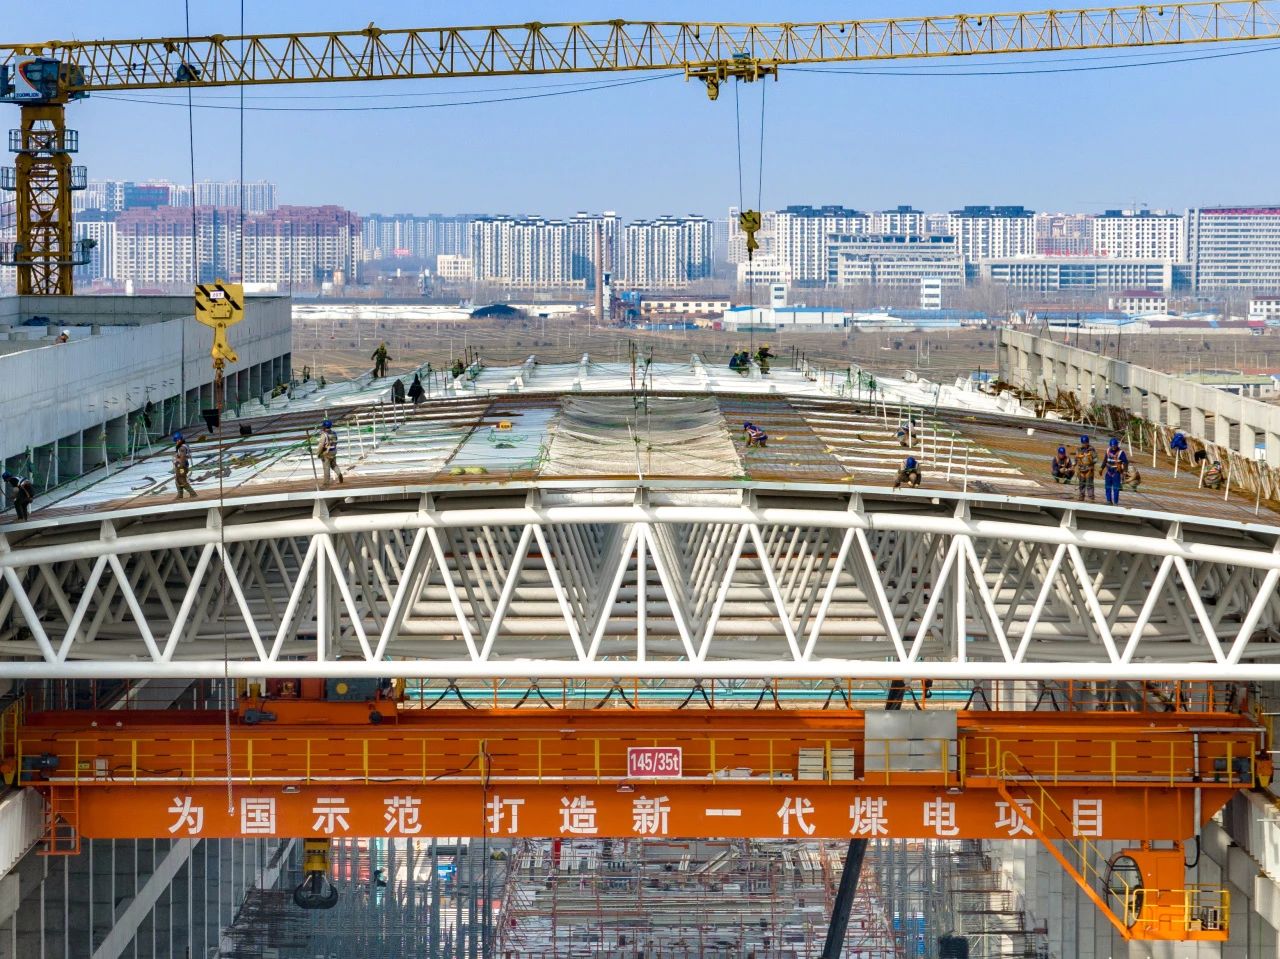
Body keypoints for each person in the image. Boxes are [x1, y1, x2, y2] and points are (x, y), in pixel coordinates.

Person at [1102, 437, 1129, 506]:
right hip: (1108, 472)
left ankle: (1115, 502)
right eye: (1112, 446)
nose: (1113, 448)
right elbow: (1105, 460)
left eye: (1114, 446)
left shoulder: (1121, 453)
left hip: (1116, 473)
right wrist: (1101, 468)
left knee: (1116, 488)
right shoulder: (1108, 450)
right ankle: (1109, 500)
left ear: (1117, 445)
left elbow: (1125, 462)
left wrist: (1125, 471)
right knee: (1107, 487)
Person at [317, 419, 344, 485]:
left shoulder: (324, 435)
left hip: (326, 453)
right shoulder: (334, 433)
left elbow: (321, 445)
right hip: (333, 451)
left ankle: (326, 482)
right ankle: (339, 474)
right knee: (334, 465)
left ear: (324, 426)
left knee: (326, 467)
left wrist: (318, 453)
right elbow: (335, 442)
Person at [172, 433, 197, 500]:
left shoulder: (182, 448)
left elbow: (182, 458)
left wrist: (179, 465)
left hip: (182, 467)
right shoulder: (183, 446)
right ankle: (180, 495)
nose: (176, 442)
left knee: (181, 480)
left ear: (179, 440)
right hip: (181, 466)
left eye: (176, 441)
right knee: (178, 480)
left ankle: (193, 493)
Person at [1074, 435, 1097, 502]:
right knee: (1081, 483)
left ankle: (1091, 497)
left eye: (1086, 443)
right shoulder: (1078, 450)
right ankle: (1081, 496)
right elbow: (1076, 459)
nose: (1085, 444)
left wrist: (1091, 459)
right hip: (1081, 470)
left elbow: (1096, 459)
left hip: (1089, 469)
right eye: (1083, 443)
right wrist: (1074, 464)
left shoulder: (1092, 450)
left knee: (1090, 484)